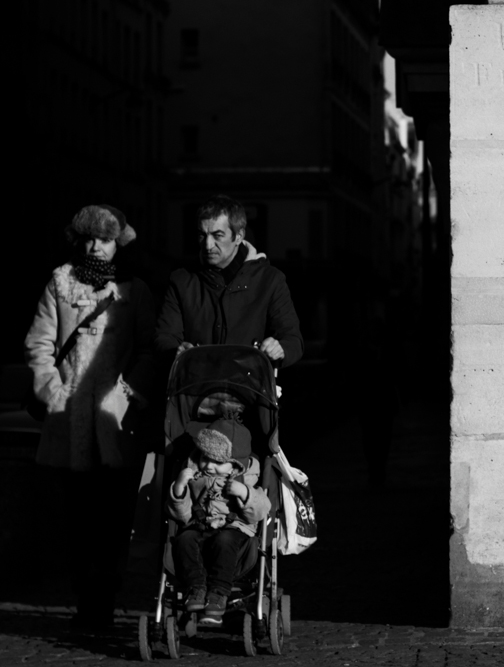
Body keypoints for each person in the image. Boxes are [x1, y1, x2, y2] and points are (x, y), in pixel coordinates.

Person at [24, 204, 156, 630]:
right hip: (70, 419)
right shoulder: (59, 285)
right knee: (77, 518)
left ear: (119, 244)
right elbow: (39, 344)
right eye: (90, 238)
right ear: (79, 240)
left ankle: (105, 594)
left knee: (115, 518)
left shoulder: (135, 290)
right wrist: (53, 391)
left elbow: (151, 349)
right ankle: (87, 599)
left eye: (105, 239)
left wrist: (127, 394)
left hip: (117, 421)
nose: (97, 246)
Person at [155, 195, 303, 366]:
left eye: (217, 235)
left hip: (249, 389)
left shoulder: (270, 281)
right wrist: (175, 351)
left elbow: (293, 340)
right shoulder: (181, 281)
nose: (208, 245)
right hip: (195, 388)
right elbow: (163, 338)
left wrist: (280, 348)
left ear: (239, 236)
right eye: (202, 235)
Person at [167, 416, 270, 624]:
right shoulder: (195, 477)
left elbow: (261, 511)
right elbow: (184, 515)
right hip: (200, 527)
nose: (208, 465)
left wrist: (244, 494)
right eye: (205, 457)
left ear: (235, 466)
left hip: (235, 534)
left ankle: (218, 594)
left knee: (225, 540)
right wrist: (179, 489)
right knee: (183, 540)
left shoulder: (247, 480)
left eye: (217, 462)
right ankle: (195, 589)